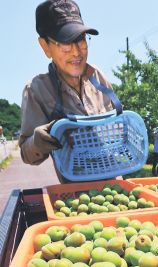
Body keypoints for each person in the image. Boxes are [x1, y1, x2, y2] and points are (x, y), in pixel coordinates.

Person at [19, 0, 113, 170]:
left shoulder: (97, 76)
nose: (77, 52)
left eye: (81, 39)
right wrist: (36, 142)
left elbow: (118, 125)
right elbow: (27, 154)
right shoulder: (37, 90)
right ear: (45, 46)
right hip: (76, 191)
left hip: (115, 178)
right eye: (65, 43)